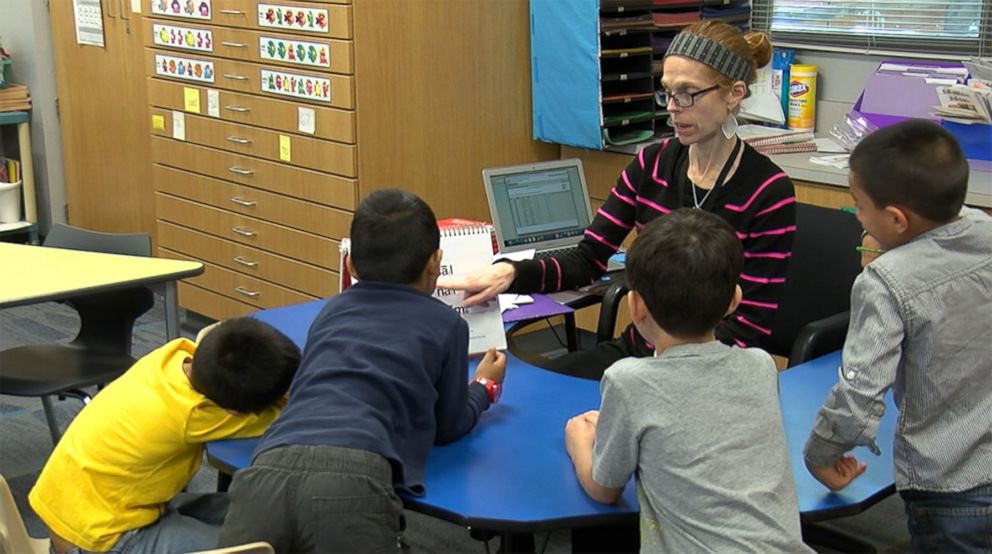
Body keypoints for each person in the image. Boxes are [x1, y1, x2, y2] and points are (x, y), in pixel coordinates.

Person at [440, 20, 795, 379]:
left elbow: (751, 324)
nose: (673, 107)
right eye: (667, 92)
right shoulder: (651, 164)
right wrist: (510, 273)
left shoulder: (767, 191)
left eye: (688, 93)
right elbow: (588, 258)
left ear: (733, 93)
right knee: (535, 393)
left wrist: (658, 374)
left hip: (713, 369)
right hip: (639, 352)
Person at [218, 188, 507, 553]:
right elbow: (448, 427)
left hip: (265, 469)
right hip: (351, 479)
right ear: (435, 262)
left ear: (351, 265)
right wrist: (484, 387)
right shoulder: (446, 324)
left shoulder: (330, 312)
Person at [564, 208, 810, 552]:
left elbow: (604, 489)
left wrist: (579, 440)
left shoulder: (627, 382)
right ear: (734, 300)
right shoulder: (760, 366)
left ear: (634, 307)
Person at [803, 119, 992, 553]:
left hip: (950, 489)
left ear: (895, 218)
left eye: (859, 206)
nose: (858, 218)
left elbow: (859, 394)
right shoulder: (983, 229)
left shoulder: (886, 281)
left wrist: (820, 454)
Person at [29, 317, 301, 554]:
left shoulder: (172, 356)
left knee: (262, 512)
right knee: (256, 546)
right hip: (102, 541)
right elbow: (288, 417)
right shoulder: (191, 414)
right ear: (231, 411)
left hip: (90, 512)